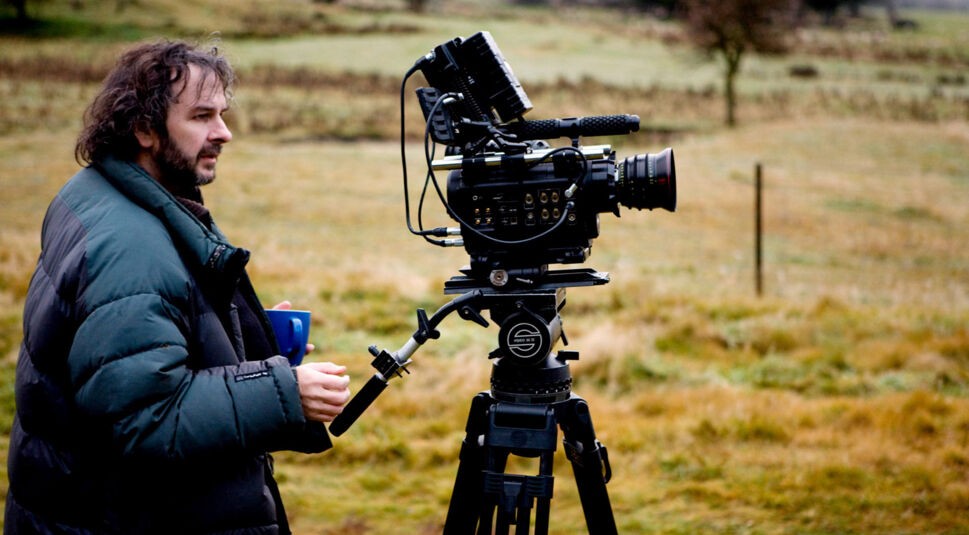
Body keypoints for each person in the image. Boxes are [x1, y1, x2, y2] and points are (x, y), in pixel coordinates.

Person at [4, 39, 352, 534]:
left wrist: (235, 341)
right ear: (143, 128)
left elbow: (133, 356)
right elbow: (145, 417)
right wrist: (281, 390)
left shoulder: (100, 190)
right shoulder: (130, 247)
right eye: (201, 117)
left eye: (222, 114)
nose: (224, 133)